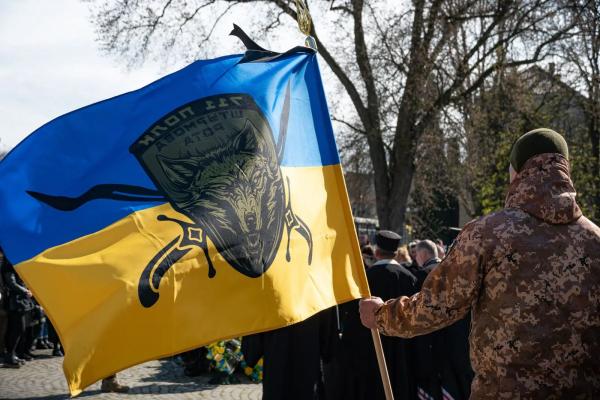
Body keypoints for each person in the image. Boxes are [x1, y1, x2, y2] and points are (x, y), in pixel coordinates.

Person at [360, 128, 600, 398]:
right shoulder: (595, 240)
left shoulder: (488, 234)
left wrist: (382, 316)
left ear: (517, 172)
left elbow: (437, 306)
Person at [338, 230, 418, 400]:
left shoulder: (365, 279)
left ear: (376, 251)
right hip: (401, 352)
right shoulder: (410, 278)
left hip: (367, 354)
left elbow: (352, 320)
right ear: (396, 253)